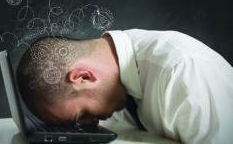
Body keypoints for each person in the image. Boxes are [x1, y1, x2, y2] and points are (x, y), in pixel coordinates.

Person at [16, 29, 233, 144]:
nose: (88, 124)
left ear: (84, 77)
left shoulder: (183, 72)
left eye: (81, 115)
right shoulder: (114, 79)